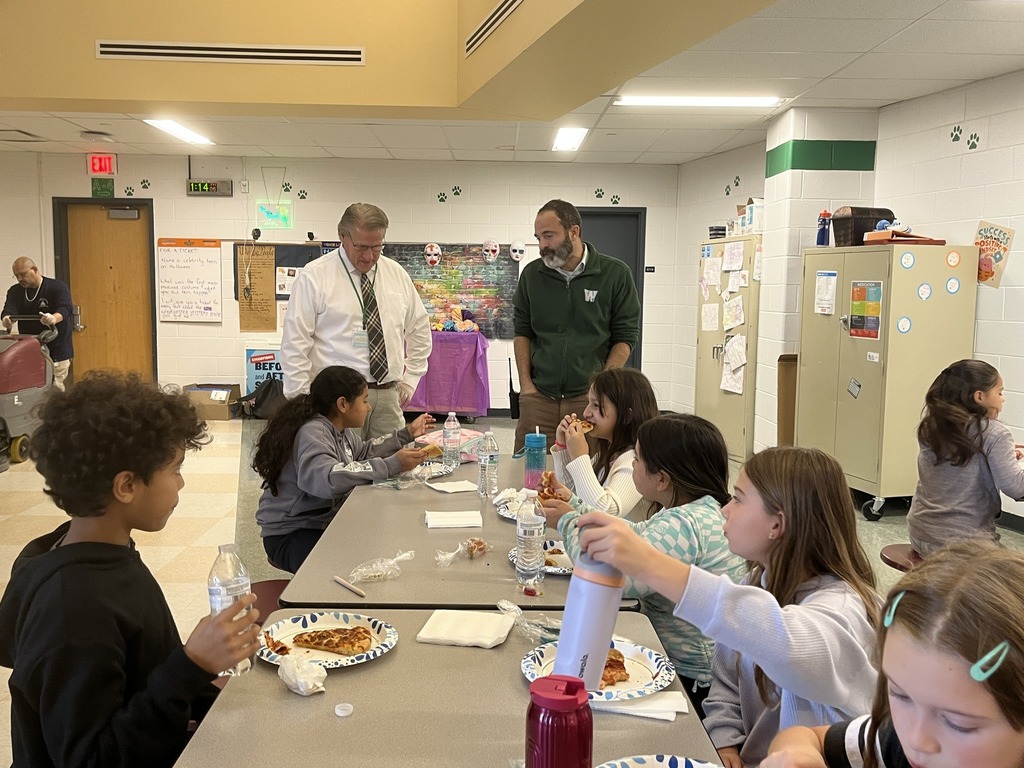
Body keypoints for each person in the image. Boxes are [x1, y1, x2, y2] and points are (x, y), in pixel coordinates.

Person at [0, 371, 260, 768]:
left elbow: (142, 672)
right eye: (174, 469)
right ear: (126, 486)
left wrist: (217, 696)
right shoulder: (74, 608)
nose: (182, 483)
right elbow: (90, 759)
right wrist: (191, 665)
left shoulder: (91, 550)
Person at [576, 446, 880, 768]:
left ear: (777, 524)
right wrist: (726, 740)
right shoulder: (757, 580)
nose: (724, 510)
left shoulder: (848, 608)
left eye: (738, 498)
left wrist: (650, 564)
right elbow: (727, 681)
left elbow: (786, 644)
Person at [761, 540, 1024, 768]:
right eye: (899, 694)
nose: (915, 739)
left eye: (958, 724)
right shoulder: (895, 738)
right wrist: (797, 754)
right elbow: (808, 738)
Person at [543, 413, 746, 709]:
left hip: (693, 683)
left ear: (662, 479)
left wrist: (565, 521)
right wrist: (573, 505)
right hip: (685, 665)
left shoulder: (686, 526)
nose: (632, 464)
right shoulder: (692, 509)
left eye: (636, 459)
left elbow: (614, 575)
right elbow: (632, 534)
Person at [253, 365, 434, 573]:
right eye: (364, 400)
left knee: (374, 545)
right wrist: (393, 464)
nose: (369, 407)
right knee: (345, 570)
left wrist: (406, 434)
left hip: (317, 522)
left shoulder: (340, 430)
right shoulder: (315, 433)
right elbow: (328, 480)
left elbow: (364, 452)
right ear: (343, 404)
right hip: (290, 533)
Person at [281, 203, 432, 439]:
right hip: (337, 402)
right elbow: (295, 343)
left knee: (393, 467)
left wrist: (411, 378)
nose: (369, 256)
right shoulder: (315, 277)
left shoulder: (395, 274)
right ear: (342, 236)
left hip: (387, 395)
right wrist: (301, 400)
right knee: (340, 470)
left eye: (377, 247)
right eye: (361, 246)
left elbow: (419, 327)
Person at [512, 199, 641, 451]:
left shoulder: (615, 274)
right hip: (538, 398)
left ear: (574, 232)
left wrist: (601, 389)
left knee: (588, 471)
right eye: (538, 237)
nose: (542, 245)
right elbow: (522, 332)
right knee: (528, 471)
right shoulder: (532, 275)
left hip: (588, 401)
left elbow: (625, 336)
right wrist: (526, 386)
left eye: (548, 236)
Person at [907, 359, 1024, 556]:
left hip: (920, 534)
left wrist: (1000, 454)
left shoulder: (932, 426)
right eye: (1000, 392)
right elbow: (1016, 488)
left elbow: (960, 457)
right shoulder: (994, 432)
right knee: (1014, 580)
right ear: (979, 396)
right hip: (963, 543)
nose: (1003, 399)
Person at [550, 367, 659, 519]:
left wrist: (580, 457)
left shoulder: (635, 461)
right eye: (589, 403)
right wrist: (563, 448)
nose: (586, 413)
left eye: (596, 405)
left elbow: (605, 512)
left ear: (627, 416)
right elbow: (576, 499)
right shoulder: (608, 452)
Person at [2, 256, 74, 390]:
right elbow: (9, 309)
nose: (20, 279)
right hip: (30, 349)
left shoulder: (57, 287)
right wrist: (6, 319)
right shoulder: (15, 291)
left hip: (57, 348)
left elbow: (65, 308)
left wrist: (53, 318)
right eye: (16, 276)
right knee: (32, 387)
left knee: (54, 387)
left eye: (22, 274)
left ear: (34, 270)